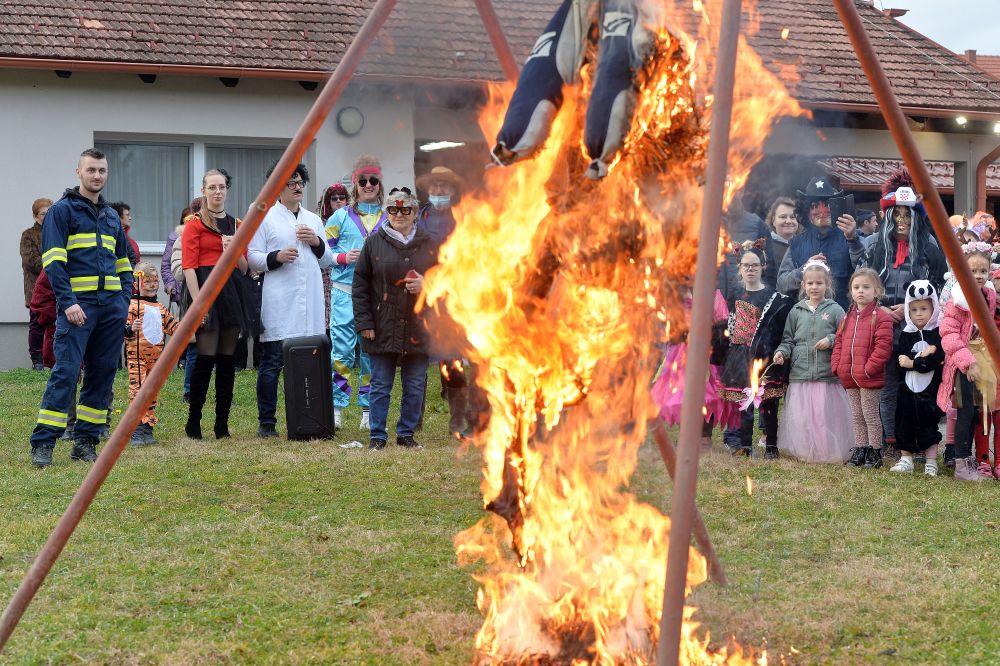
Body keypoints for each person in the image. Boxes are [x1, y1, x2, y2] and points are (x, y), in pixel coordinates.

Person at [28, 148, 134, 468]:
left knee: (102, 375)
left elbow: (124, 263)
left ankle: (86, 440)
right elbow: (54, 263)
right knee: (66, 372)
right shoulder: (62, 211)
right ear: (79, 173)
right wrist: (69, 301)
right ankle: (44, 442)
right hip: (78, 308)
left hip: (110, 309)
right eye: (91, 170)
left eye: (102, 170)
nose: (97, 175)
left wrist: (123, 301)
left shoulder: (111, 215)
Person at [861, 182, 947, 456]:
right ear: (888, 216)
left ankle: (919, 444)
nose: (901, 220)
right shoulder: (873, 244)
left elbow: (938, 287)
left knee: (916, 386)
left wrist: (908, 310)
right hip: (881, 325)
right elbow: (861, 282)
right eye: (896, 214)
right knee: (887, 387)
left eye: (907, 215)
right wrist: (881, 309)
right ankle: (890, 441)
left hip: (917, 328)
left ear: (916, 217)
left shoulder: (930, 246)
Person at [248, 162, 333, 438]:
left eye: (300, 183)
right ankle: (267, 422)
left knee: (310, 364)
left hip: (310, 303)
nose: (298, 188)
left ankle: (310, 417)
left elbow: (328, 260)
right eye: (291, 183)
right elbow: (252, 256)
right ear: (277, 188)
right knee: (273, 363)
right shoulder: (265, 217)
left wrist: (317, 243)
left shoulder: (313, 219)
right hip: (281, 301)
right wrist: (276, 258)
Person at [353, 187, 437, 450]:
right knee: (380, 384)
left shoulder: (429, 243)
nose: (399, 214)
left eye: (405, 209)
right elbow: (360, 285)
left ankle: (406, 434)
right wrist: (365, 323)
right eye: (393, 209)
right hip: (382, 324)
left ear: (415, 212)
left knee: (414, 385)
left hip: (418, 324)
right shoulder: (374, 243)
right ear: (386, 212)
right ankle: (377, 435)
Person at [181, 168, 249, 440]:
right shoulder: (194, 224)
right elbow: (188, 267)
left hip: (230, 292)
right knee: (205, 358)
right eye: (212, 187)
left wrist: (232, 251)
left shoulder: (237, 225)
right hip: (205, 290)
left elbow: (244, 268)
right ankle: (193, 421)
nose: (217, 192)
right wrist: (200, 305)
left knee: (226, 360)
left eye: (221, 187)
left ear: (226, 190)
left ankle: (222, 425)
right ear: (203, 191)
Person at [326, 155, 386, 429]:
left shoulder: (389, 218)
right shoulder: (339, 216)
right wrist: (342, 258)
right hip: (344, 292)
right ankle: (336, 409)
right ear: (355, 184)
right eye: (363, 181)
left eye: (373, 180)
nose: (369, 185)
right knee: (341, 353)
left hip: (375, 297)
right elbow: (322, 253)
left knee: (370, 353)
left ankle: (368, 411)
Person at [773, 261, 853, 463]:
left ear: (828, 285)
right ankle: (804, 449)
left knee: (823, 415)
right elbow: (788, 339)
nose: (814, 287)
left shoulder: (835, 310)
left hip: (825, 374)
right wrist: (782, 352)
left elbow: (846, 334)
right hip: (800, 373)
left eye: (819, 283)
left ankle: (826, 450)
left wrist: (831, 340)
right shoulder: (796, 311)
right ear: (803, 286)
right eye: (810, 283)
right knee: (802, 416)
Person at [937, 243, 999, 481]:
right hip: (964, 362)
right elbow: (949, 335)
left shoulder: (988, 295)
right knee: (965, 412)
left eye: (983, 271)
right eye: (972, 271)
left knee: (977, 411)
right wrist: (968, 363)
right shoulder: (957, 300)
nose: (978, 276)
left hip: (983, 359)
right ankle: (961, 464)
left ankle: (972, 459)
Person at [416, 165, 469, 436]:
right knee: (418, 359)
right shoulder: (418, 216)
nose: (438, 190)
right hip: (421, 297)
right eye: (434, 186)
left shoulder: (463, 217)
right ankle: (413, 421)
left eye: (443, 186)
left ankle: (458, 421)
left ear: (451, 189)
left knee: (452, 358)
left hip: (451, 298)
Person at [652, 284, 737, 449]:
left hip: (708, 350)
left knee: (709, 394)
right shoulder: (675, 295)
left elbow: (722, 322)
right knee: (682, 392)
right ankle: (687, 436)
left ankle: (704, 437)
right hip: (681, 351)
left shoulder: (713, 294)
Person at [718, 241, 777, 456]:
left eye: (755, 265)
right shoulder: (734, 293)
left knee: (759, 395)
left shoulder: (770, 294)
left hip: (761, 351)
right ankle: (736, 440)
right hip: (738, 351)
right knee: (737, 396)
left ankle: (765, 439)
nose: (750, 269)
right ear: (740, 267)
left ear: (763, 267)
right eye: (746, 265)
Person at [832, 268, 894, 469]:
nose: (861, 291)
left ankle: (875, 451)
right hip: (849, 377)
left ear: (876, 291)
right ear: (850, 291)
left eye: (866, 287)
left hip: (868, 377)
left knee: (870, 414)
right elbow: (839, 342)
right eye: (856, 287)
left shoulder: (881, 317)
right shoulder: (847, 317)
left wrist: (868, 369)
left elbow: (883, 348)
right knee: (857, 415)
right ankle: (861, 448)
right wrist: (838, 366)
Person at [777, 177, 863, 310]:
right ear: (806, 211)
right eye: (815, 206)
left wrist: (853, 240)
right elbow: (782, 284)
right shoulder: (796, 243)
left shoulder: (851, 236)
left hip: (843, 320)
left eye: (827, 205)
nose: (822, 212)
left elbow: (866, 274)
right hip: (805, 320)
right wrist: (804, 270)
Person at [890, 280, 945, 476]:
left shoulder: (937, 333)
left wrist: (915, 363)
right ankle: (906, 458)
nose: (919, 313)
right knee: (905, 421)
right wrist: (923, 357)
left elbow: (937, 360)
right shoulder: (906, 334)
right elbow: (899, 361)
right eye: (914, 310)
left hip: (930, 390)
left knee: (929, 423)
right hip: (907, 389)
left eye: (924, 308)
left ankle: (931, 460)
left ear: (934, 308)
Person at [124, 263, 180, 446]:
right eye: (147, 281)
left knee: (152, 392)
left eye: (155, 281)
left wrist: (193, 323)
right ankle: (136, 430)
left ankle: (147, 428)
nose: (153, 285)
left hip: (156, 359)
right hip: (136, 357)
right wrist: (131, 329)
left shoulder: (161, 308)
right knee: (138, 391)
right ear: (137, 283)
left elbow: (174, 328)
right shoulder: (132, 306)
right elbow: (122, 329)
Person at [21, 197, 52, 370]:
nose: (46, 217)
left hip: (58, 287)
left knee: (55, 325)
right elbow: (31, 261)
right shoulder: (28, 235)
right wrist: (55, 263)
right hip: (35, 288)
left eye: (49, 212)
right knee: (37, 324)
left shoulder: (58, 232)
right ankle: (37, 361)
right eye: (43, 213)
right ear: (35, 216)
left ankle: (53, 359)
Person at [317, 182, 350, 332]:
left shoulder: (352, 221)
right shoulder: (318, 222)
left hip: (347, 274)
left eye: (342, 197)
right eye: (334, 198)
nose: (338, 201)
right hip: (325, 275)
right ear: (328, 202)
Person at [764, 196, 798, 271]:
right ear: (773, 220)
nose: (788, 221)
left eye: (793, 217)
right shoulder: (764, 249)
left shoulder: (805, 245)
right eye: (783, 217)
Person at [111, 201, 140, 266]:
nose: (130, 218)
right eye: (127, 215)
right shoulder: (112, 237)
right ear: (118, 217)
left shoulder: (129, 240)